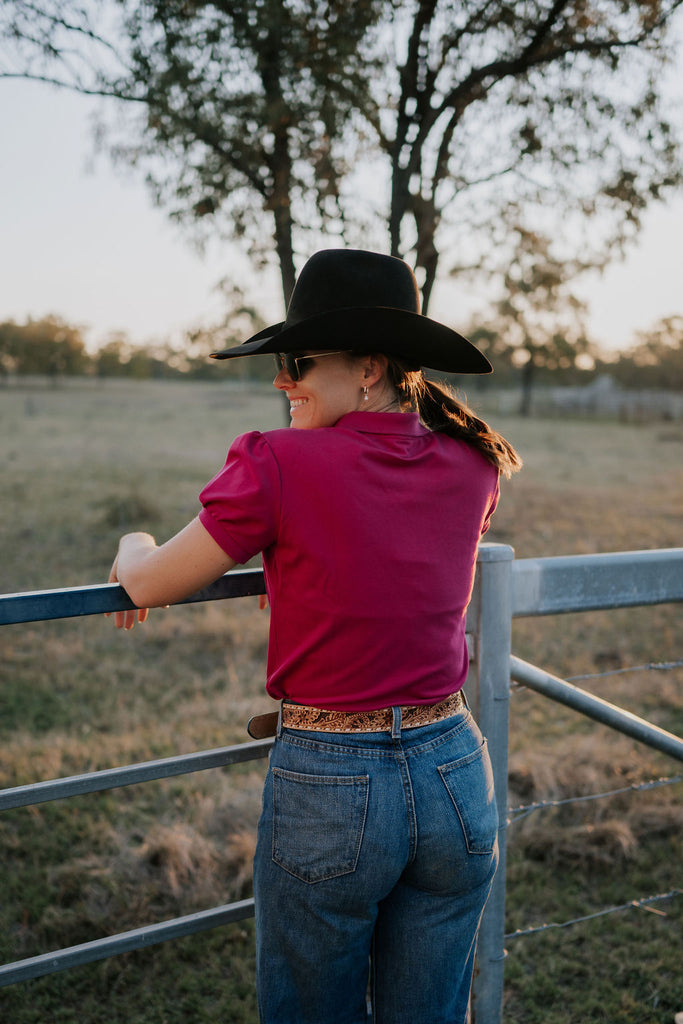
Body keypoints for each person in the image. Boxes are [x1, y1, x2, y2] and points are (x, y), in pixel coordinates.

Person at [109, 249, 522, 1024]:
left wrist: (130, 538)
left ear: (368, 367)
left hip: (332, 782)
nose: (279, 381)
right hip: (454, 769)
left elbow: (153, 580)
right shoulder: (474, 466)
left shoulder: (279, 463)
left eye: (297, 361)